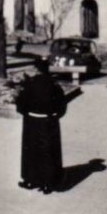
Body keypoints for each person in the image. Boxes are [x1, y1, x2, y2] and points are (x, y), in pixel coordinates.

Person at [15, 58, 67, 193]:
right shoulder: (54, 85)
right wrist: (55, 116)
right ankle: (48, 183)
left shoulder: (30, 84)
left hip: (32, 121)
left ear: (37, 70)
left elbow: (20, 103)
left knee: (30, 151)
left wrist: (25, 113)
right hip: (48, 122)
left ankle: (30, 180)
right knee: (48, 152)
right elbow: (62, 104)